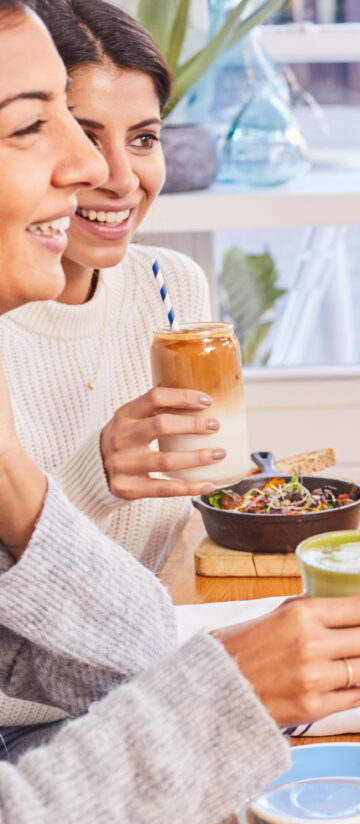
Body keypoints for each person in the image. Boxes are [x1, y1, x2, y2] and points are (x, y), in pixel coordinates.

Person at [0, 4, 360, 818]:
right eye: (40, 126)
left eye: (144, 137)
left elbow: (139, 617)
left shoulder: (170, 287)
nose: (104, 173)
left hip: (137, 680)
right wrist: (81, 479)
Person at [0, 0, 218, 577]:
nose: (119, 179)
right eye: (85, 135)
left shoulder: (170, 286)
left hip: (173, 635)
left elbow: (193, 510)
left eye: (144, 139)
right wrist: (94, 476)